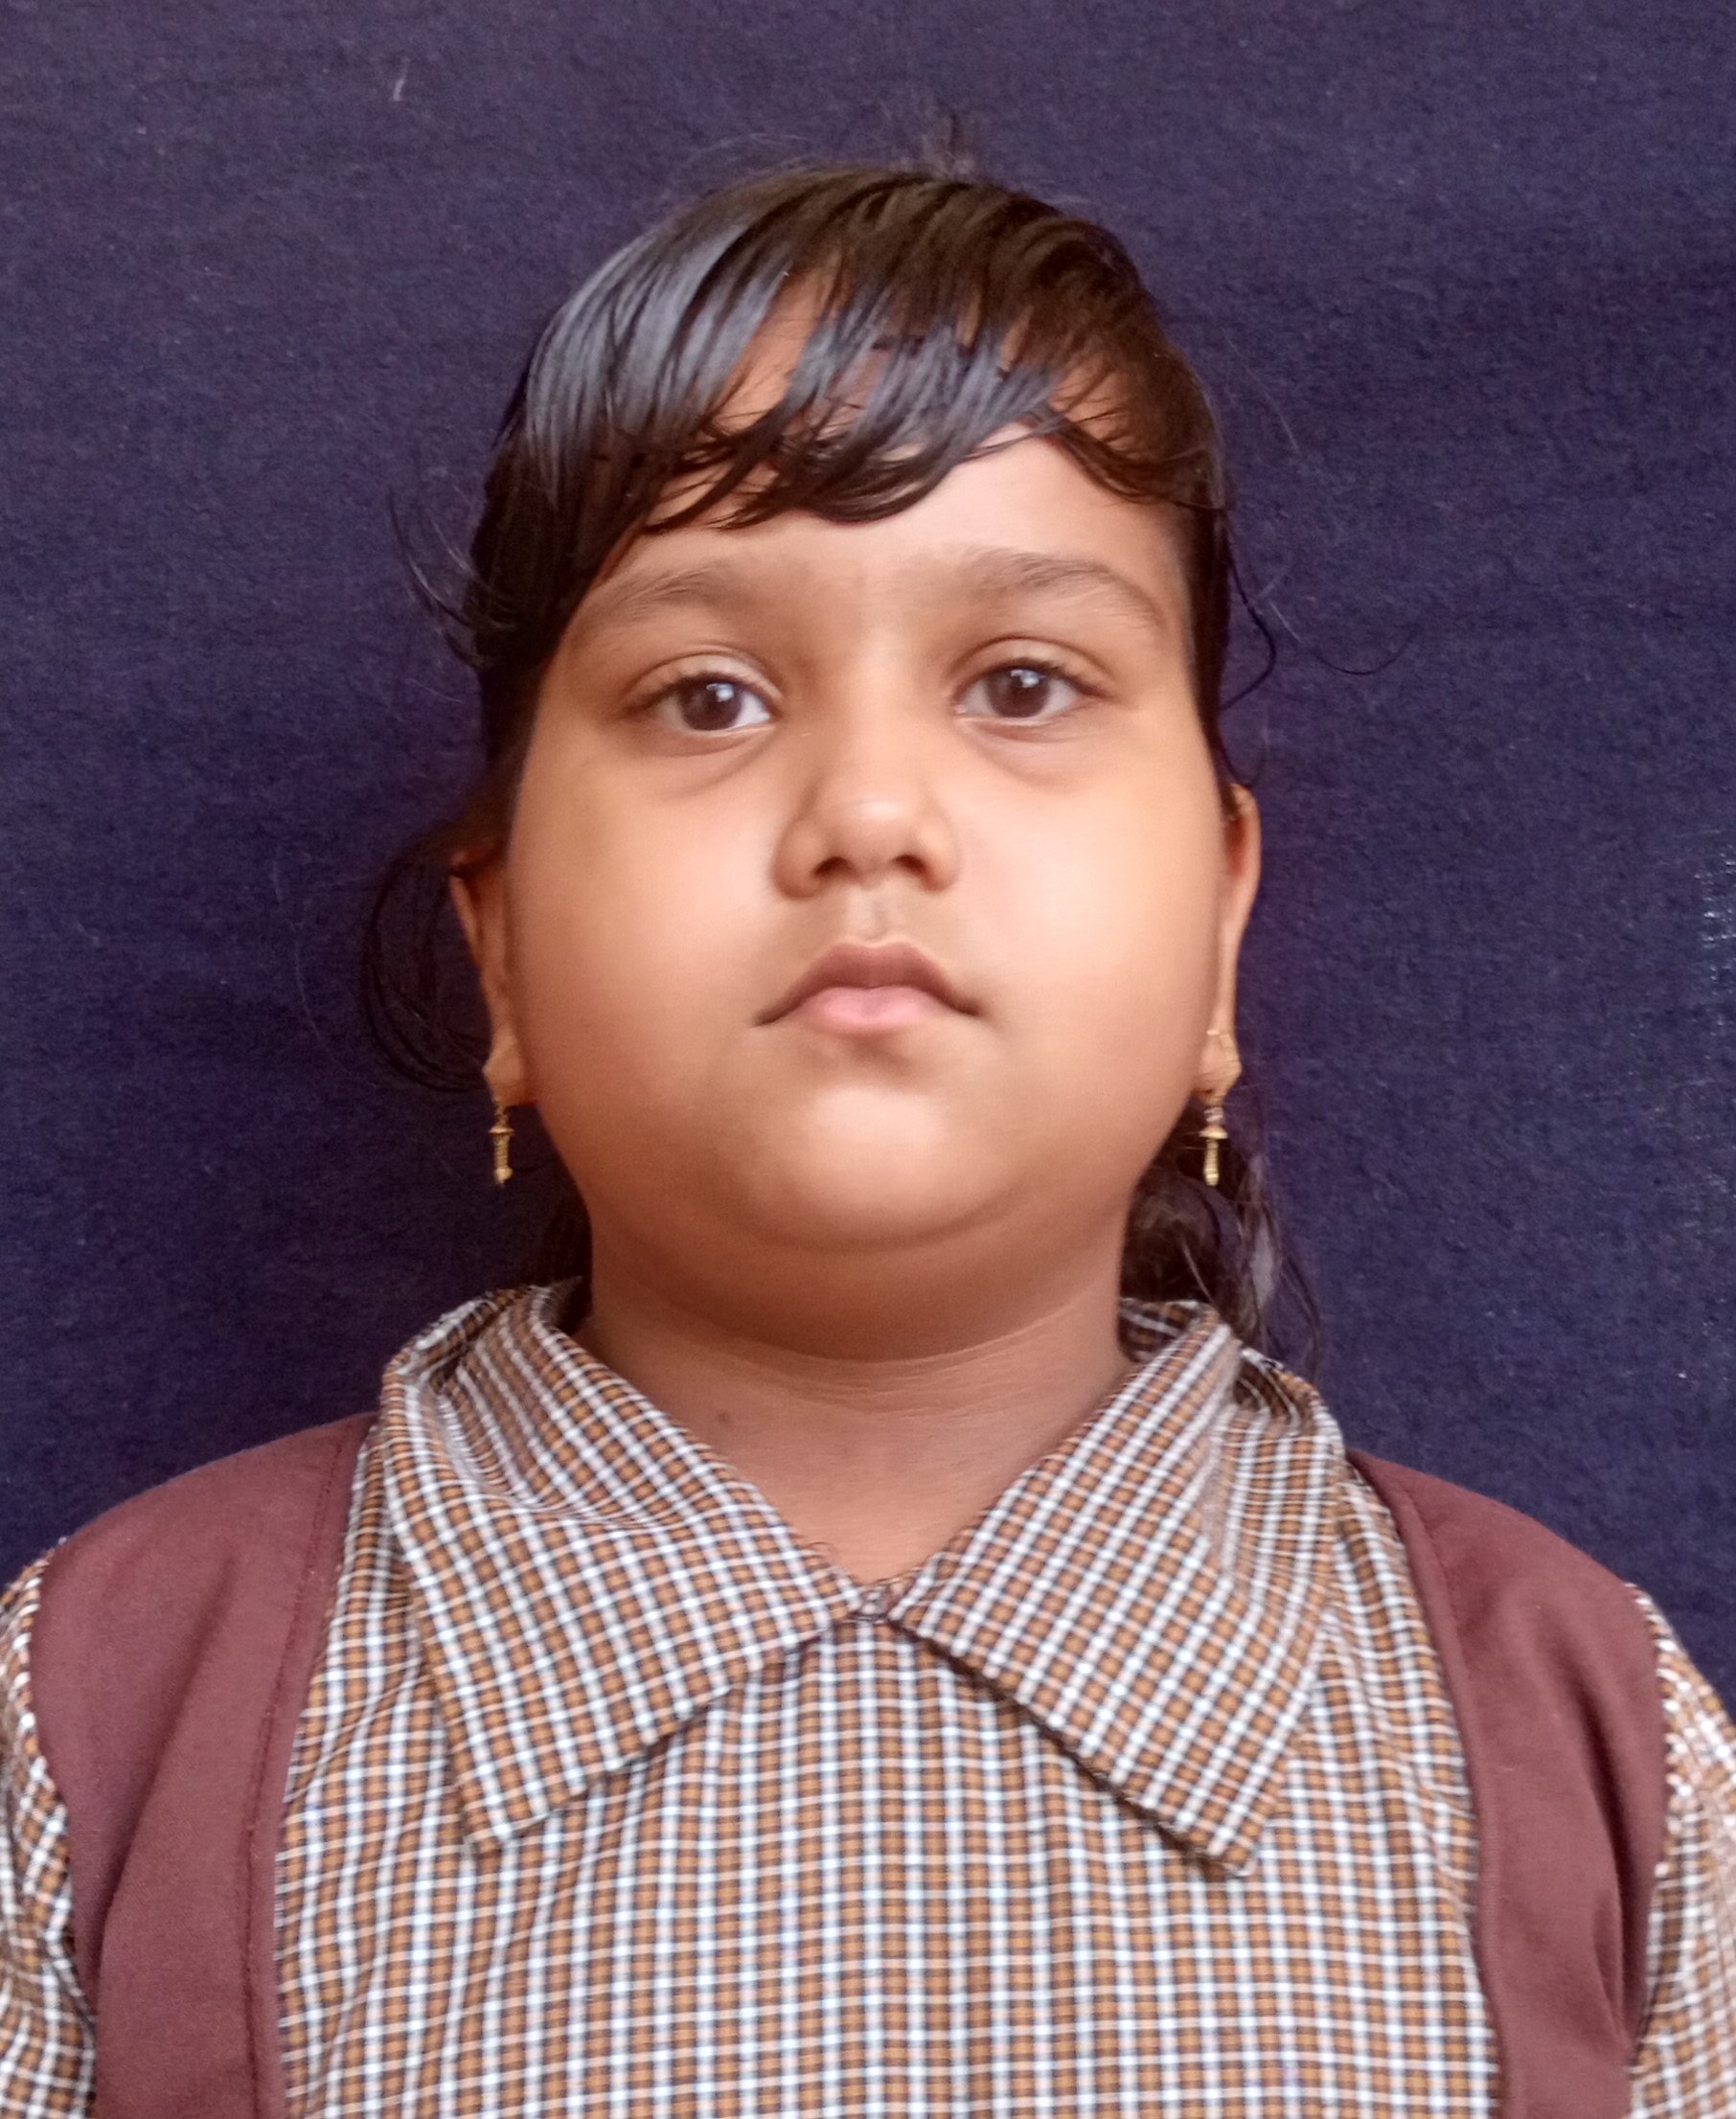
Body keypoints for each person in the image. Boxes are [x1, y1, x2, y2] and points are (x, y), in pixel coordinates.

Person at [1, 157, 1731, 2119]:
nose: (871, 813)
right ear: (504, 954)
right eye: (708, 696)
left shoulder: (1595, 1746)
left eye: (1023, 684)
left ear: (1221, 928)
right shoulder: (97, 1728)